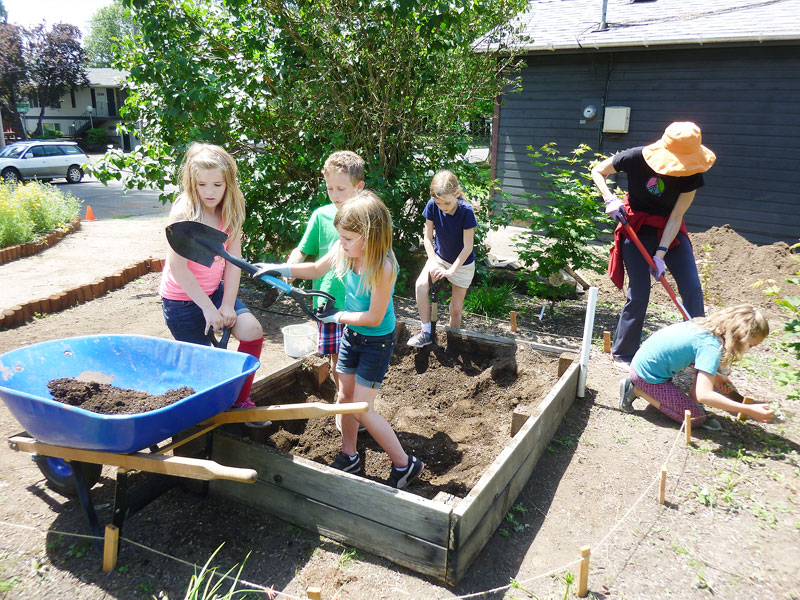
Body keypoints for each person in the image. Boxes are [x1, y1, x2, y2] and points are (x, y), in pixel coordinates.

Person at [254, 191, 425, 489]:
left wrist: (337, 317)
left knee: (361, 407)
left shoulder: (384, 267)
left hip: (376, 341)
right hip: (352, 336)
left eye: (347, 238)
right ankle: (350, 456)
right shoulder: (346, 250)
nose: (341, 243)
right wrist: (279, 269)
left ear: (369, 236)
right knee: (344, 399)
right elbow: (316, 268)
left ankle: (405, 464)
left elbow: (374, 318)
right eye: (341, 237)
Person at [591, 122, 716, 371]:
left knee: (692, 288)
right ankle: (624, 353)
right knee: (639, 293)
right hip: (635, 226)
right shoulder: (636, 157)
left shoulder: (692, 173)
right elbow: (598, 171)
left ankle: (699, 352)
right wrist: (610, 198)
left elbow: (676, 215)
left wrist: (661, 253)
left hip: (669, 231)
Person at [159, 142, 264, 408]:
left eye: (217, 185)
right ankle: (207, 417)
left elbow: (234, 261)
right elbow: (178, 267)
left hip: (213, 292)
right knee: (205, 370)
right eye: (201, 185)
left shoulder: (232, 208)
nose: (209, 192)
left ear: (228, 183)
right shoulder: (185, 212)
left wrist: (227, 303)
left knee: (252, 330)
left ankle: (240, 400)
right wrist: (208, 309)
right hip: (182, 300)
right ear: (191, 182)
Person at [620, 304, 775, 430]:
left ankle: (687, 404)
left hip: (644, 363)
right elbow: (704, 395)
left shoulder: (706, 328)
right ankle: (636, 390)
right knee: (695, 419)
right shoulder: (712, 346)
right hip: (646, 377)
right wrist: (748, 409)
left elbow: (694, 361)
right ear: (740, 337)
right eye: (751, 345)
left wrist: (715, 376)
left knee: (706, 390)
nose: (749, 349)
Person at [287, 151, 365, 397]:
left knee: (360, 362)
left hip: (359, 303)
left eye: (341, 189)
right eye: (330, 189)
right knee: (337, 361)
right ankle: (345, 407)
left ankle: (357, 407)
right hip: (328, 301)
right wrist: (290, 268)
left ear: (359, 187)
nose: (335, 195)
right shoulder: (320, 216)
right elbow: (302, 250)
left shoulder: (367, 218)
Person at [407, 170, 477, 348]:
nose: (443, 207)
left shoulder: (466, 212)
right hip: (438, 257)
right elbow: (428, 238)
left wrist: (451, 271)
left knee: (455, 309)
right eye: (439, 203)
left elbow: (468, 246)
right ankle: (426, 332)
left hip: (462, 265)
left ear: (457, 194)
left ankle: (453, 342)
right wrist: (433, 262)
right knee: (421, 286)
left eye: (447, 202)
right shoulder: (432, 205)